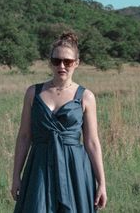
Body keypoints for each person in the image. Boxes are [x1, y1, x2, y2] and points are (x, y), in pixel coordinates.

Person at [11, 32, 107, 212]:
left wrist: (102, 183)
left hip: (74, 167)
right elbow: (24, 137)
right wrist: (16, 176)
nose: (61, 66)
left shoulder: (86, 97)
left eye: (68, 61)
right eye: (56, 61)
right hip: (39, 165)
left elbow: (92, 142)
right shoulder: (33, 93)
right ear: (50, 62)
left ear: (76, 63)